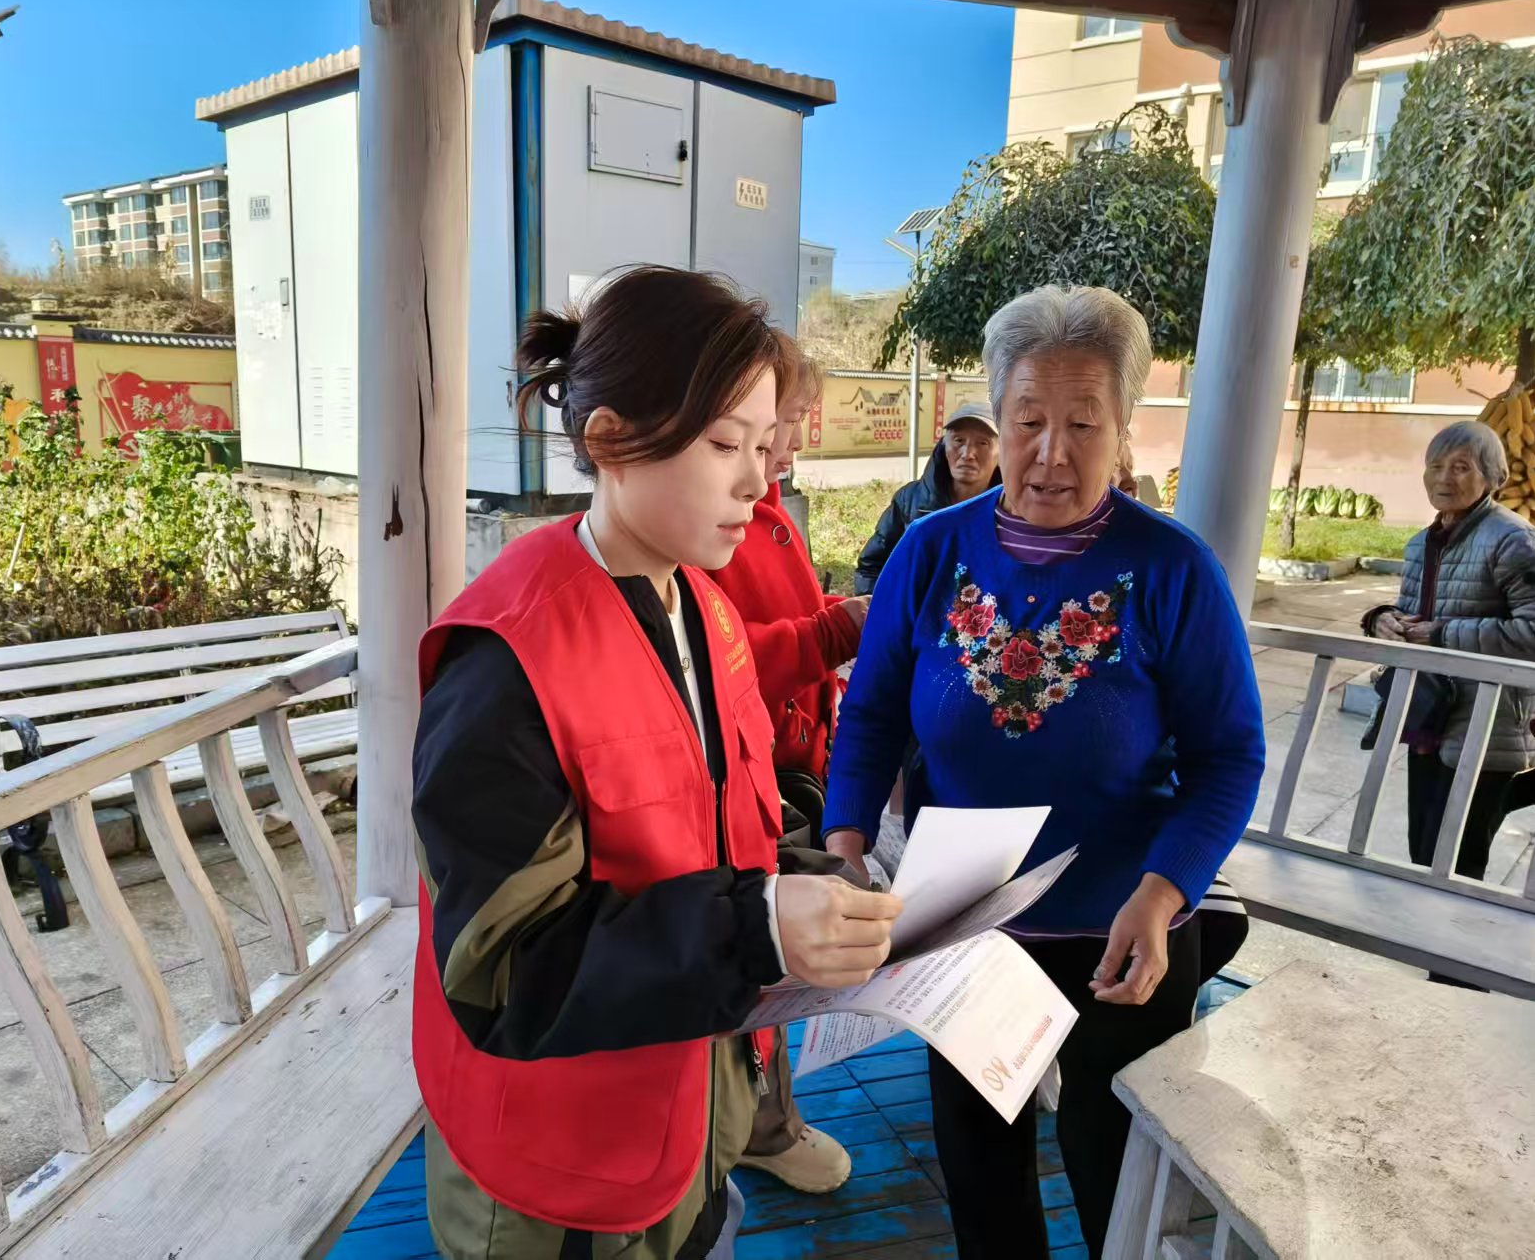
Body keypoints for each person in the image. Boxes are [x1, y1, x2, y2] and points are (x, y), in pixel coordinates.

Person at [410, 266, 904, 1260]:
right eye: (723, 444)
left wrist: (823, 879)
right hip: (559, 1182)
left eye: (762, 445)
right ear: (609, 441)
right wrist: (755, 926)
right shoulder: (506, 662)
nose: (756, 481)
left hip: (692, 1124)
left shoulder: (704, 608)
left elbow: (723, 820)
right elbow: (503, 969)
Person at [821, 284, 1264, 1258]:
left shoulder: (1172, 569)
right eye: (1027, 421)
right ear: (998, 418)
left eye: (1082, 423)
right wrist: (845, 842)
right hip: (966, 917)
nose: (1051, 452)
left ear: (1124, 428)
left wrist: (1162, 893)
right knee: (981, 1164)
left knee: (1113, 1167)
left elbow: (1229, 754)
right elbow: (872, 713)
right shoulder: (930, 552)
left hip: (1122, 929)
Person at [706, 347, 867, 1195]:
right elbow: (723, 657)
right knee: (753, 949)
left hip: (788, 762)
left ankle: (759, 1118)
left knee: (767, 948)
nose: (790, 441)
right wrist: (834, 630)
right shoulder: (711, 527)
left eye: (785, 423)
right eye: (779, 424)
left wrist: (836, 623)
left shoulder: (770, 514)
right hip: (746, 767)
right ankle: (759, 1127)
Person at [1362, 420, 1535, 888]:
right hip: (1429, 716)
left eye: (1461, 467)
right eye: (1435, 465)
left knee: (1457, 866)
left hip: (1485, 725)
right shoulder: (1423, 541)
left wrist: (1444, 634)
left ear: (1493, 477)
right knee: (1423, 852)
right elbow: (1416, 613)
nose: (1444, 478)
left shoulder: (1514, 540)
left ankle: (1450, 943)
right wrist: (1382, 618)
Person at [853, 401, 1001, 594]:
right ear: (944, 445)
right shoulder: (910, 501)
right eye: (958, 440)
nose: (967, 454)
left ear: (1002, 452)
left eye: (983, 443)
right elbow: (872, 567)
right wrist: (877, 606)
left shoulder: (1013, 509)